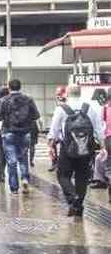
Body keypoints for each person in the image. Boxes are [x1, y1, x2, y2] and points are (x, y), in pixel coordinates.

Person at [47, 85, 106, 216]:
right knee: (82, 177)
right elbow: (98, 129)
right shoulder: (89, 108)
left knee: (62, 175)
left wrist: (51, 146)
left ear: (67, 94)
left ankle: (73, 198)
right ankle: (78, 206)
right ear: (80, 93)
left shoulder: (61, 109)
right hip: (86, 149)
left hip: (66, 149)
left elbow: (54, 130)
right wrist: (102, 147)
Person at [0, 79, 40, 194]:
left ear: (9, 88)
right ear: (20, 87)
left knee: (11, 160)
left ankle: (14, 188)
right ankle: (24, 178)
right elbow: (36, 115)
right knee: (23, 158)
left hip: (9, 132)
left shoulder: (4, 100)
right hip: (24, 133)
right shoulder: (28, 99)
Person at [90, 88, 111, 194]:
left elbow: (101, 126)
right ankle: (101, 180)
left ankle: (102, 181)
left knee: (105, 163)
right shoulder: (105, 109)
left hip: (108, 139)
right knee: (101, 160)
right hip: (108, 138)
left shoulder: (105, 109)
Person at [48, 86, 68, 172]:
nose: (58, 97)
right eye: (57, 95)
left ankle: (58, 163)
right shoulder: (58, 106)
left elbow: (55, 124)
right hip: (61, 131)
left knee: (52, 143)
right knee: (52, 144)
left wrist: (52, 137)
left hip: (65, 131)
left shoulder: (64, 104)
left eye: (59, 94)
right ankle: (54, 162)